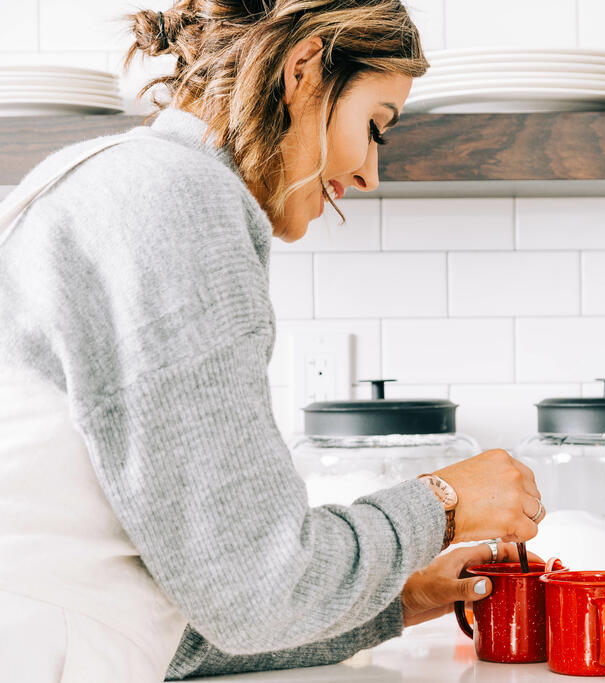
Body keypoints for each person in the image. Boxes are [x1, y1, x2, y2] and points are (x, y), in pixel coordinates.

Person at [0, 1, 545, 680]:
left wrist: (403, 599)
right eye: (375, 125)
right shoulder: (176, 199)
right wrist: (443, 501)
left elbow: (178, 618)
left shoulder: (113, 177)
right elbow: (261, 588)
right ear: (305, 69)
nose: (372, 172)